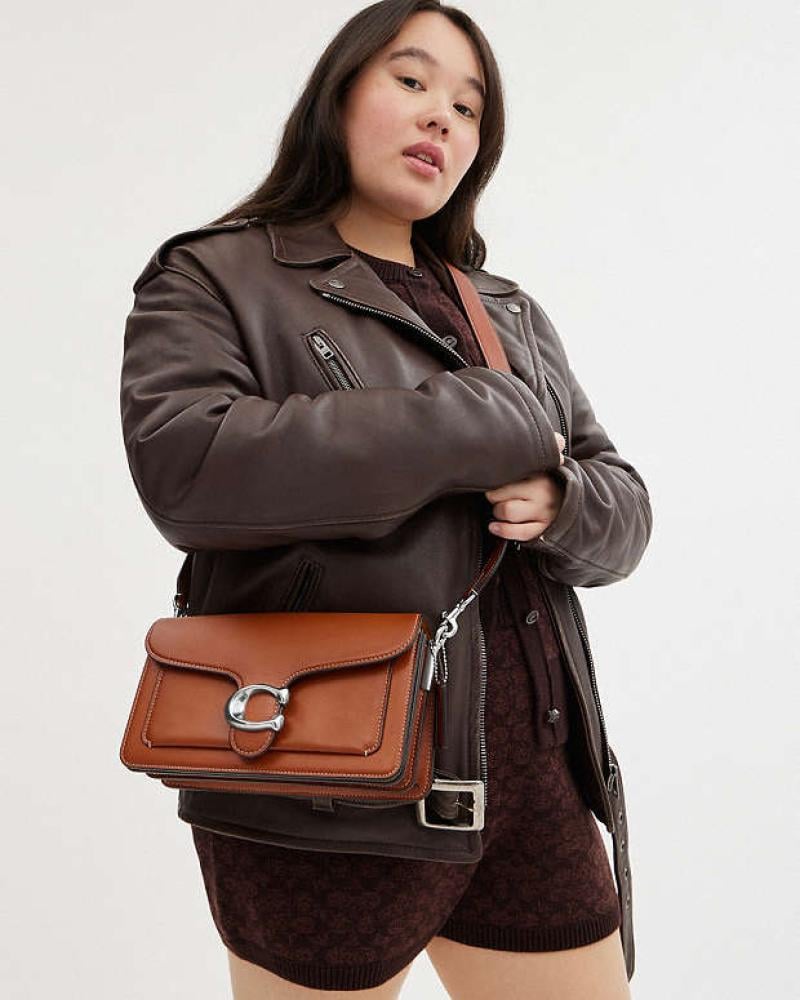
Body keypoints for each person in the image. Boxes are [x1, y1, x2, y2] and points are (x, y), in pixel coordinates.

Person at [119, 1, 652, 997]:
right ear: (337, 97)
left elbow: (623, 507)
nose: (441, 115)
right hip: (327, 778)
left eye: (468, 106)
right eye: (411, 81)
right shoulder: (217, 275)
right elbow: (187, 469)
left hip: (533, 780)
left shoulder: (506, 311)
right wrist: (461, 425)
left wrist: (560, 500)